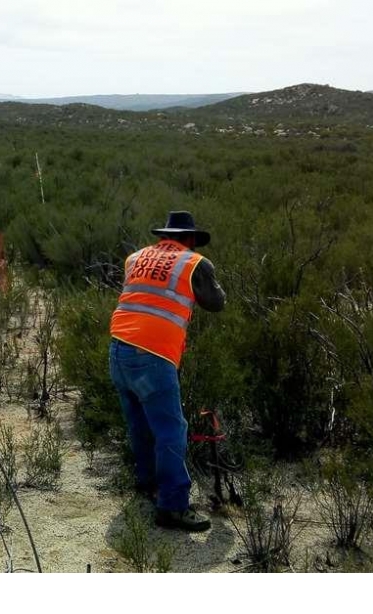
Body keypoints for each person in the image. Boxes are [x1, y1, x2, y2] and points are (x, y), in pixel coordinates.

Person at [109, 211, 226, 532]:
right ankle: (172, 506)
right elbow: (216, 302)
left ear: (164, 237)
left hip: (118, 348)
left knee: (140, 425)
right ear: (189, 239)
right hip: (153, 356)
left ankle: (148, 484)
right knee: (171, 431)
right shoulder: (194, 262)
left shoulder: (136, 257)